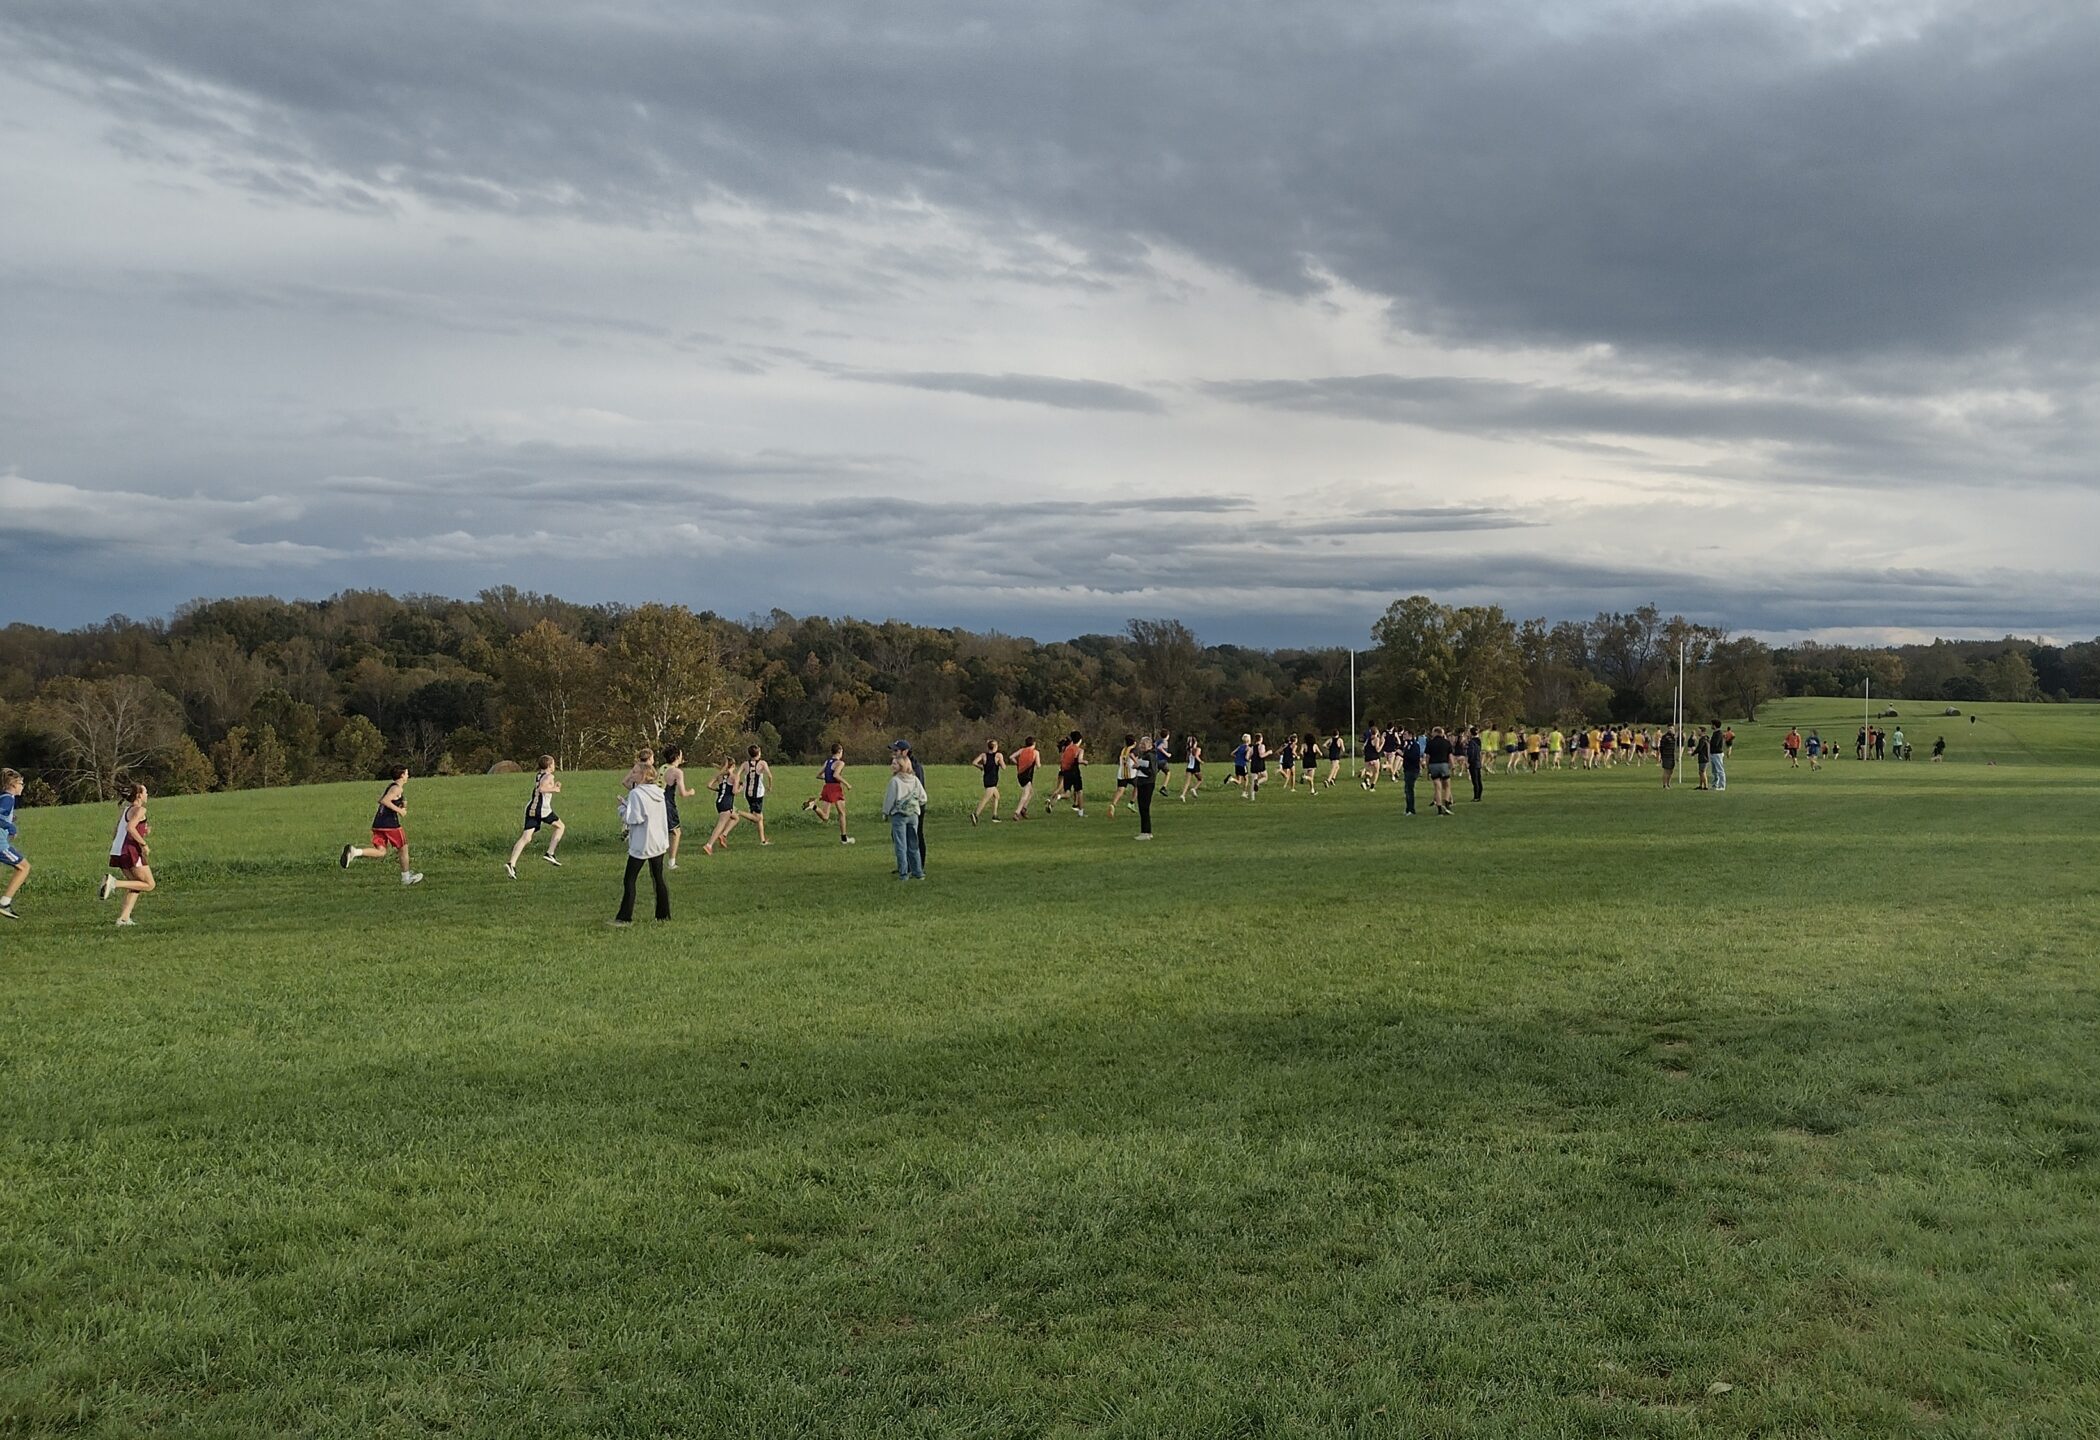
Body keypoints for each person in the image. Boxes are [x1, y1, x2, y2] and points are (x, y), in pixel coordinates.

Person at [340, 765, 423, 885]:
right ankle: (406, 878)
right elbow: (384, 801)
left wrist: (402, 805)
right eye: (406, 773)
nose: (408, 776)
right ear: (401, 776)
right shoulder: (397, 789)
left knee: (381, 852)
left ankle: (355, 852)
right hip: (390, 824)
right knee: (403, 848)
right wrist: (400, 811)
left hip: (379, 822)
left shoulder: (392, 787)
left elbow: (387, 801)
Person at [612, 762, 671, 925]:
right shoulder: (659, 792)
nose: (632, 775)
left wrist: (622, 809)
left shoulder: (637, 794)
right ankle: (663, 915)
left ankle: (624, 917)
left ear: (644, 775)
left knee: (629, 880)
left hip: (642, 844)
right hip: (658, 841)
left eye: (636, 772)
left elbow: (634, 819)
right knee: (658, 878)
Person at [97, 781, 157, 924]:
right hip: (131, 851)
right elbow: (130, 828)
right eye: (145, 792)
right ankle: (114, 883)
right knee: (149, 884)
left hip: (118, 851)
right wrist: (143, 844)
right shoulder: (140, 810)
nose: (147, 795)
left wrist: (143, 832)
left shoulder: (126, 810)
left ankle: (124, 918)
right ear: (139, 795)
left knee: (135, 884)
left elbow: (117, 831)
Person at [505, 754, 566, 878]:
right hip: (541, 809)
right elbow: (542, 789)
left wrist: (554, 786)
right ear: (549, 766)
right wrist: (555, 789)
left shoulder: (539, 775)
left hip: (531, 808)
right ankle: (550, 853)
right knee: (560, 826)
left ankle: (511, 864)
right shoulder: (549, 775)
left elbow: (541, 787)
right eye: (553, 763)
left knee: (526, 838)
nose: (554, 766)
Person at [882, 750, 928, 880]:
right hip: (913, 815)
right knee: (913, 844)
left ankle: (903, 873)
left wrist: (885, 812)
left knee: (901, 845)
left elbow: (890, 799)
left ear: (901, 765)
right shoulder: (914, 780)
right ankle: (918, 872)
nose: (892, 765)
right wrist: (915, 804)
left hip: (899, 815)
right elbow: (923, 797)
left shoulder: (895, 781)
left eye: (895, 763)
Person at [801, 743, 856, 844]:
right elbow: (836, 775)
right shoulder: (840, 763)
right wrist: (847, 784)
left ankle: (813, 806)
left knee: (826, 817)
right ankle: (844, 839)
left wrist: (828, 778)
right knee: (842, 813)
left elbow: (818, 775)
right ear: (839, 751)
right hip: (835, 788)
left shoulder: (828, 762)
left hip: (827, 787)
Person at [0, 768, 30, 919]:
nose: (22, 786)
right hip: (0, 845)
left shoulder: (4, 797)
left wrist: (11, 819)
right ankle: (4, 903)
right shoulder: (8, 799)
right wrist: (11, 827)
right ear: (12, 784)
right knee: (24, 867)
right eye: (21, 783)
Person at [701, 757, 743, 855]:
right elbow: (734, 792)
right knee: (720, 825)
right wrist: (740, 788)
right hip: (727, 802)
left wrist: (718, 790)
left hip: (719, 802)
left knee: (736, 817)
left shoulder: (720, 776)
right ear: (733, 766)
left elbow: (709, 785)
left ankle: (723, 835)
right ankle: (709, 845)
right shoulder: (735, 777)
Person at [739, 745, 773, 845]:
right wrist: (770, 787)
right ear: (759, 753)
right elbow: (770, 776)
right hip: (757, 793)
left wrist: (738, 784)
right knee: (758, 818)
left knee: (759, 816)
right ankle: (738, 812)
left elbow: (737, 774)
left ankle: (763, 840)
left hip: (748, 793)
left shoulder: (745, 764)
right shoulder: (762, 763)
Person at [1049, 732, 1086, 816]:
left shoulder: (1067, 749)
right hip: (1075, 772)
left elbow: (1063, 760)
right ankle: (1081, 813)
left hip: (1066, 772)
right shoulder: (1079, 750)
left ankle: (1058, 796)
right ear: (1080, 740)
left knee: (1067, 793)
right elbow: (1079, 760)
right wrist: (1085, 762)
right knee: (1079, 791)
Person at [970, 738, 1004, 826]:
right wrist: (1000, 762)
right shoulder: (998, 755)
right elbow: (1004, 767)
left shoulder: (983, 755)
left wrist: (981, 767)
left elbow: (974, 762)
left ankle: (995, 815)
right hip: (993, 780)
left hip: (986, 778)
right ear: (995, 747)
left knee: (997, 796)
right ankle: (976, 814)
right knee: (986, 798)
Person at [1425, 726, 1456, 815]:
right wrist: (1452, 766)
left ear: (1434, 733)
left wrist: (1428, 768)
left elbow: (1427, 757)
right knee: (1447, 786)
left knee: (1437, 788)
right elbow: (1450, 756)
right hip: (1443, 764)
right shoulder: (1446, 743)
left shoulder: (1430, 743)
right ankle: (1446, 802)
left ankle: (1439, 809)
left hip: (1433, 765)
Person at [1131, 733, 1157, 840]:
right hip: (1142, 783)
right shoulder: (1144, 755)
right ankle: (1145, 831)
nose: (1142, 746)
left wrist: (1139, 767)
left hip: (1147, 784)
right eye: (1141, 744)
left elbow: (1152, 772)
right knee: (1142, 808)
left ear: (1150, 746)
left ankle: (1146, 832)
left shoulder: (1150, 756)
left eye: (1144, 744)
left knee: (1144, 808)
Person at [1107, 734, 1139, 819]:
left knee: (1120, 790)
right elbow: (1132, 755)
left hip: (1121, 773)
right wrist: (1136, 762)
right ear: (1134, 742)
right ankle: (1131, 803)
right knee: (1138, 786)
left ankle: (1113, 804)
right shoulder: (1133, 750)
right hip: (1131, 773)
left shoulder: (1123, 749)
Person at [1011, 736, 1040, 820]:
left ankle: (1024, 809)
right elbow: (1038, 765)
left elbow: (1011, 757)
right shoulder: (1035, 752)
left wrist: (1018, 763)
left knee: (1031, 792)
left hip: (1020, 774)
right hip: (1027, 775)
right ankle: (1017, 812)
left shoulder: (1021, 750)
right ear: (1034, 743)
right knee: (1026, 793)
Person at [1180, 735, 1203, 801]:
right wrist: (1201, 761)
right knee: (1200, 779)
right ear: (1195, 742)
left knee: (1187, 782)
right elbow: (1196, 756)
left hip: (1189, 767)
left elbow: (1188, 759)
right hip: (1195, 767)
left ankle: (1183, 795)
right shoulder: (1197, 749)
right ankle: (1194, 789)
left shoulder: (1189, 750)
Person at [1466, 726, 1486, 802]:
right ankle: (1479, 796)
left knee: (1475, 781)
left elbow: (1471, 753)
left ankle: (1476, 796)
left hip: (1473, 762)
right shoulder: (1478, 741)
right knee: (1479, 779)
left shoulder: (1471, 742)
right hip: (1478, 761)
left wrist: (1469, 761)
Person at [1708, 724, 1728, 792]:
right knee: (1714, 771)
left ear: (1715, 725)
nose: (1711, 726)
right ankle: (1714, 785)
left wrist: (1710, 741)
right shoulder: (1715, 733)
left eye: (1712, 724)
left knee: (1720, 770)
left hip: (1717, 754)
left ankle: (1722, 785)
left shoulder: (1719, 733)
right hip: (1713, 753)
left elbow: (1715, 743)